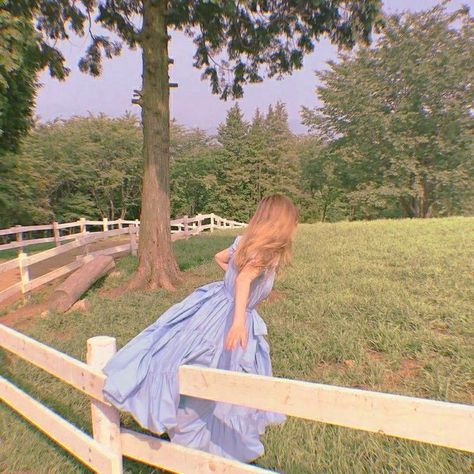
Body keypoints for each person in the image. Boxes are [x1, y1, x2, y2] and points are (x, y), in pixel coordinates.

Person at [103, 194, 299, 462]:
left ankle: (195, 440)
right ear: (282, 222)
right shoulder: (266, 252)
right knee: (213, 373)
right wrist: (239, 321)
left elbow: (220, 258)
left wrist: (229, 285)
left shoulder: (244, 243)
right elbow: (243, 280)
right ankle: (191, 451)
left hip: (214, 303)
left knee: (190, 363)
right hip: (230, 316)